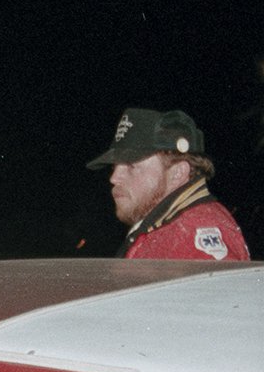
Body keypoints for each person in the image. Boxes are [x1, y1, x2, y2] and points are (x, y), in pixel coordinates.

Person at [87, 108, 250, 261]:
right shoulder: (165, 228)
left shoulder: (193, 235)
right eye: (115, 166)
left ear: (177, 173)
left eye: (131, 165)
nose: (114, 178)